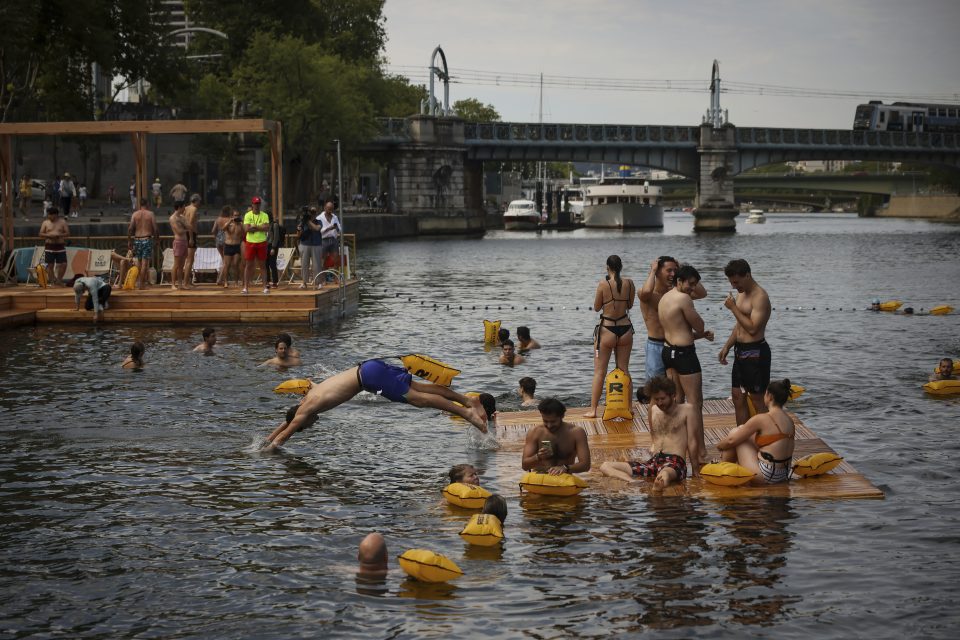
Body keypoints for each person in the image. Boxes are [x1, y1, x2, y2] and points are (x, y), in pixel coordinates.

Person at [261, 359, 490, 450]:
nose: (313, 423)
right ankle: (468, 400)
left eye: (308, 425)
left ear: (302, 421)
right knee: (421, 389)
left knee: (418, 400)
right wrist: (265, 440)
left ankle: (466, 413)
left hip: (370, 379)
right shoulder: (306, 398)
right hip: (370, 367)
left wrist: (265, 453)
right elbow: (287, 421)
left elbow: (285, 435)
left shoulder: (305, 411)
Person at [600, 375, 700, 491]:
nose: (660, 403)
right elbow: (655, 436)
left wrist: (695, 470)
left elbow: (692, 441)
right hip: (654, 462)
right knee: (605, 466)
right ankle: (632, 481)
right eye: (656, 399)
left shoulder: (687, 410)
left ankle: (660, 483)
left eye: (663, 399)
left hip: (674, 462)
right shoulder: (654, 410)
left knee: (664, 476)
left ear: (673, 395)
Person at [658, 264, 714, 463]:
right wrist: (701, 331)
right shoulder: (683, 299)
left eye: (695, 285)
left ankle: (675, 447)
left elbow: (679, 330)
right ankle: (700, 452)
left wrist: (699, 336)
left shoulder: (665, 297)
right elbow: (699, 325)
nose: (693, 289)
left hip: (668, 352)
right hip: (684, 355)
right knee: (695, 404)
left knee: (677, 402)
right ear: (679, 281)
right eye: (690, 285)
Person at [718, 259, 772, 426]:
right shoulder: (742, 293)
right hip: (740, 351)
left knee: (757, 399)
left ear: (747, 275)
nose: (734, 286)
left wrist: (733, 308)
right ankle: (743, 438)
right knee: (737, 396)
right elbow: (740, 324)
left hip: (756, 352)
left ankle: (768, 437)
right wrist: (727, 345)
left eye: (736, 282)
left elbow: (753, 329)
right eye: (731, 282)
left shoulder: (760, 297)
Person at [639, 256, 707, 385]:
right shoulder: (648, 294)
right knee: (656, 387)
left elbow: (702, 293)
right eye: (669, 270)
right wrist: (653, 271)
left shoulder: (676, 294)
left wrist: (683, 270)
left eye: (675, 271)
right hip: (656, 345)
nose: (673, 274)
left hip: (674, 348)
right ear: (658, 272)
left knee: (675, 389)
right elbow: (646, 291)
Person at [715, 379, 796, 485]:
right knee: (742, 430)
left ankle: (723, 472)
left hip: (766, 475)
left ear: (770, 396)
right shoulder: (789, 420)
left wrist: (719, 446)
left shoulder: (762, 419)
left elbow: (731, 441)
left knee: (735, 433)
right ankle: (726, 469)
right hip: (783, 474)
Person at [585, 255, 636, 419]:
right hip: (625, 328)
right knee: (624, 369)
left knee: (599, 372)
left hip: (607, 329)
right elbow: (630, 305)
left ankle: (593, 410)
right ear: (621, 266)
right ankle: (628, 407)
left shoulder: (603, 284)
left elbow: (596, 307)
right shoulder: (630, 283)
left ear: (608, 267)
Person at [521, 398, 591, 475]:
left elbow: (586, 465)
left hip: (564, 478)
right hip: (540, 477)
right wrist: (538, 457)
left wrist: (565, 468)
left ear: (562, 416)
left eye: (553, 421)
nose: (549, 425)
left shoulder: (576, 433)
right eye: (545, 421)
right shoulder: (535, 432)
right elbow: (524, 466)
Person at [127, 198, 158, 289]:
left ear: (140, 204)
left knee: (139, 262)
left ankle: (139, 282)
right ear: (147, 204)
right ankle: (141, 284)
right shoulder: (150, 214)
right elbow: (155, 228)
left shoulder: (135, 214)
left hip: (137, 239)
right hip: (146, 239)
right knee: (145, 262)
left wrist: (129, 241)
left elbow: (130, 229)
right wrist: (157, 239)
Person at [242, 196, 270, 295]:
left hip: (262, 242)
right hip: (250, 242)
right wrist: (260, 227)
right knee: (248, 265)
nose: (257, 206)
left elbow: (266, 228)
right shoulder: (247, 215)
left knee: (262, 265)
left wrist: (255, 226)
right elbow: (246, 229)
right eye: (255, 204)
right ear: (252, 204)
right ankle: (245, 287)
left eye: (258, 204)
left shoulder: (265, 215)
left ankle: (265, 287)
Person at [39, 207, 70, 285]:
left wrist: (59, 235)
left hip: (60, 246)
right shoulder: (45, 222)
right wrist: (49, 235)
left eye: (50, 215)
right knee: (50, 265)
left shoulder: (62, 222)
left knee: (63, 264)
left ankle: (59, 280)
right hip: (49, 246)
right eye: (48, 215)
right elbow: (40, 234)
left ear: (55, 215)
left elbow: (67, 233)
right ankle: (52, 281)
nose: (48, 216)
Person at [297, 205, 323, 288]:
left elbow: (316, 228)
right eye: (311, 212)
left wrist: (308, 221)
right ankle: (304, 283)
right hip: (305, 244)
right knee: (304, 265)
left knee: (317, 265)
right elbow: (298, 234)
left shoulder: (319, 221)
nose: (312, 214)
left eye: (314, 212)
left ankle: (318, 283)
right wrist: (300, 228)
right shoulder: (302, 222)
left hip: (316, 245)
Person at [219, 206, 244, 287]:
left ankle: (236, 282)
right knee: (227, 264)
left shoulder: (240, 225)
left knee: (236, 264)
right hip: (228, 245)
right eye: (235, 215)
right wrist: (230, 221)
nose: (236, 217)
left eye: (238, 215)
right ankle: (226, 281)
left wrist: (243, 222)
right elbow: (223, 229)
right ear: (232, 216)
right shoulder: (229, 224)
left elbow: (245, 233)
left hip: (237, 246)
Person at [318, 200, 342, 284]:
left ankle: (336, 278)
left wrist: (337, 229)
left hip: (333, 240)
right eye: (328, 208)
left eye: (331, 208)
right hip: (324, 240)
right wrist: (329, 228)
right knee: (323, 260)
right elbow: (318, 231)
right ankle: (323, 279)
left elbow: (339, 228)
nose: (330, 210)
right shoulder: (319, 218)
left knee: (336, 260)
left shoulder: (335, 217)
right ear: (325, 208)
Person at [181, 194, 201, 289]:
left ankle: (187, 281)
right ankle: (185, 283)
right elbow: (190, 223)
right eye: (199, 202)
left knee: (189, 260)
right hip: (190, 234)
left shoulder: (185, 208)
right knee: (189, 260)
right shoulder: (194, 209)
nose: (199, 204)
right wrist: (192, 238)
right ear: (196, 201)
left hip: (185, 234)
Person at [168, 201, 189, 289]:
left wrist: (186, 227)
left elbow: (188, 226)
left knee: (182, 265)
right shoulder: (173, 218)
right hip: (178, 241)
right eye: (184, 207)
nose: (185, 209)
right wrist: (186, 229)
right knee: (176, 264)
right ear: (179, 207)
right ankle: (173, 284)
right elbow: (179, 231)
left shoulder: (182, 217)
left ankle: (180, 284)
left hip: (185, 241)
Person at [265, 208, 285, 288]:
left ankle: (275, 281)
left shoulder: (274, 224)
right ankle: (267, 281)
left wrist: (273, 247)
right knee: (265, 264)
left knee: (272, 264)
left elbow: (276, 237)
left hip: (272, 245)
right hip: (265, 245)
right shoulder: (265, 224)